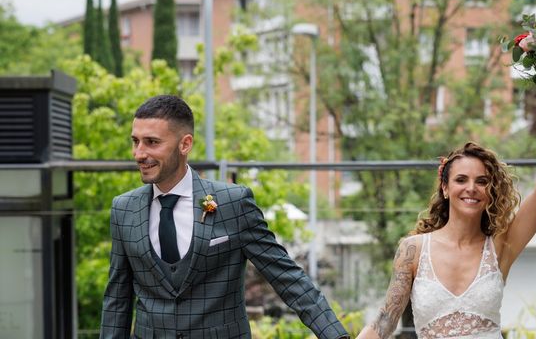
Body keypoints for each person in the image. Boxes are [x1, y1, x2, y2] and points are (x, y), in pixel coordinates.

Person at [100, 95, 349, 339]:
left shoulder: (233, 204)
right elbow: (117, 299)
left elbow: (286, 277)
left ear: (185, 144)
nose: (139, 153)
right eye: (136, 141)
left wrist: (336, 336)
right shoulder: (123, 209)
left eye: (152, 142)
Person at [357, 82, 536, 339]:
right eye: (461, 180)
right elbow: (385, 320)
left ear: (489, 191)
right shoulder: (413, 250)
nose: (471, 188)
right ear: (445, 187)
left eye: (481, 182)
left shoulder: (501, 245)